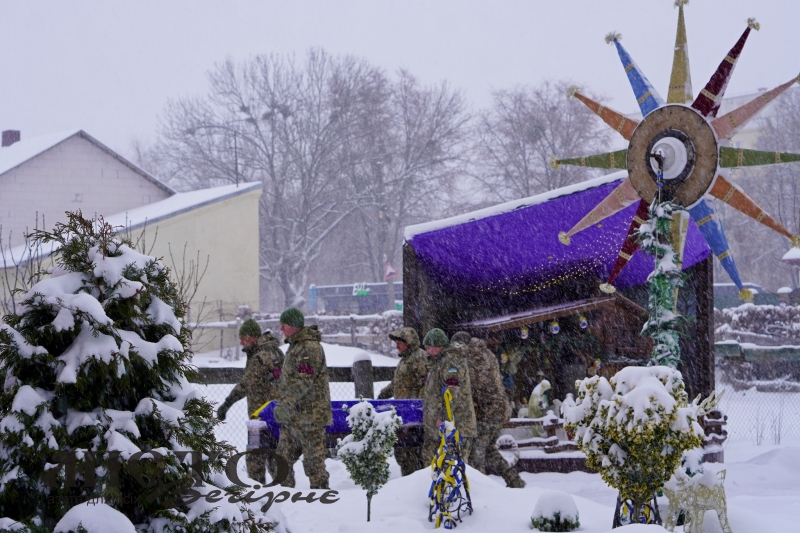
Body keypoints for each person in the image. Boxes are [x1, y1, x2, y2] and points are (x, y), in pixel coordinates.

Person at [451, 331, 526, 489]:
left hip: (488, 412)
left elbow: (471, 387)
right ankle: (514, 480)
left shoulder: (470, 359)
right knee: (490, 449)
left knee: (475, 455)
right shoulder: (487, 353)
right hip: (500, 408)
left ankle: (480, 490)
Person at [216, 318, 284, 484]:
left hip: (260, 416)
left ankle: (256, 493)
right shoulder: (277, 352)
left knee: (255, 459)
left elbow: (245, 385)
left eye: (242, 338)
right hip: (277, 413)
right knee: (276, 456)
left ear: (252, 337)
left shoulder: (259, 358)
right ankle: (284, 489)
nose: (240, 342)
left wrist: (226, 405)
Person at [272, 307, 332, 489]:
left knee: (314, 465)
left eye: (284, 325)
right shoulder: (295, 347)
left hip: (311, 417)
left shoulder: (309, 347)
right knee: (281, 462)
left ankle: (322, 498)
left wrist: (287, 404)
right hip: (294, 418)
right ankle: (285, 500)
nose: (281, 329)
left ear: (294, 326)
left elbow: (304, 380)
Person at [377, 327, 430, 475]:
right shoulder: (404, 361)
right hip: (403, 414)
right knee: (401, 452)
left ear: (409, 343)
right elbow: (397, 383)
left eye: (400, 342)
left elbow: (425, 384)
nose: (396, 346)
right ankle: (407, 481)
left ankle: (415, 481)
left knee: (412, 453)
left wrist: (418, 406)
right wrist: (383, 395)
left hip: (415, 418)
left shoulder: (420, 358)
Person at [421, 328, 477, 467]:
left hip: (456, 425)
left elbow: (452, 392)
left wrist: (443, 417)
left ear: (439, 346)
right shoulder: (439, 362)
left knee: (454, 468)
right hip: (446, 428)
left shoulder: (451, 362)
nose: (427, 351)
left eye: (429, 347)